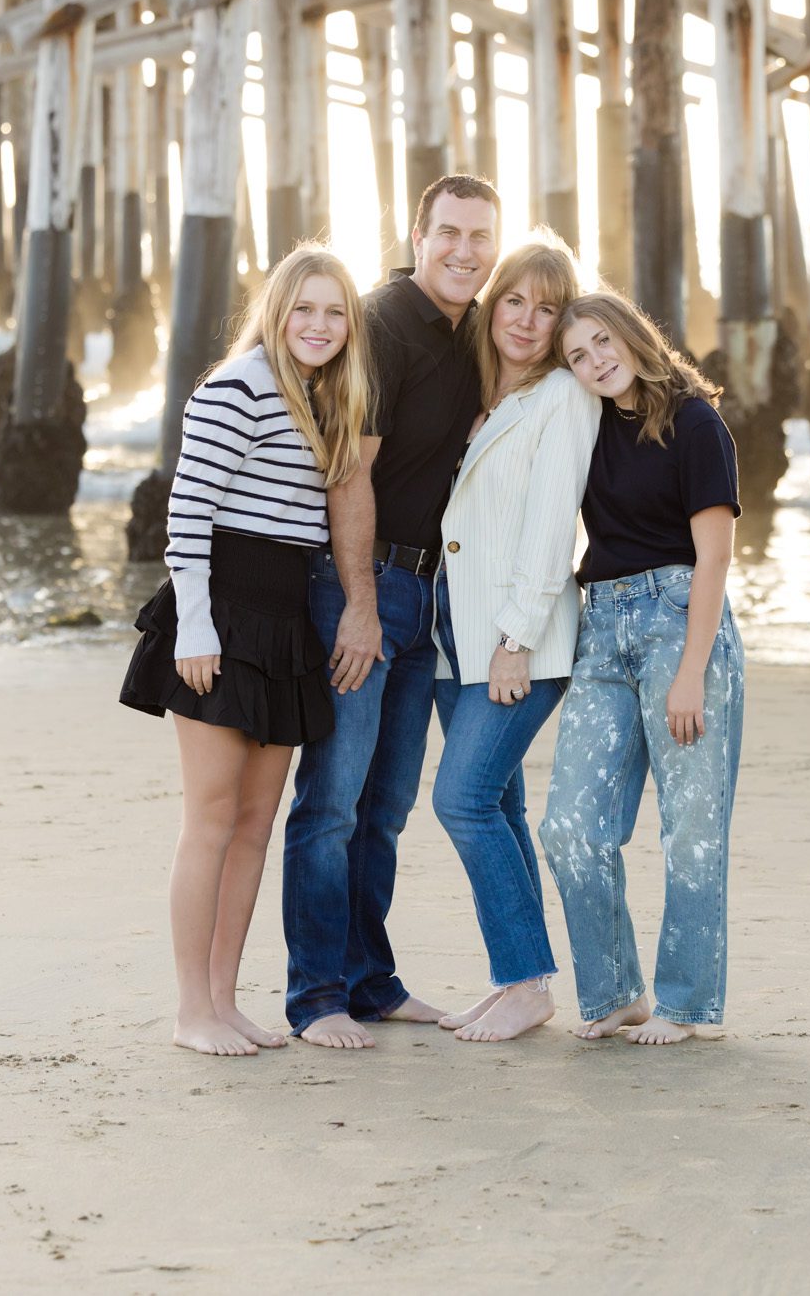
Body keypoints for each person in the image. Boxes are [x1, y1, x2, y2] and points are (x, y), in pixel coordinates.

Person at [119, 244, 370, 1057]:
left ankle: (225, 1000)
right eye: (305, 308)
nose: (320, 325)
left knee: (258, 821)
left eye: (335, 312)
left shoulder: (319, 395)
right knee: (213, 817)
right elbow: (186, 512)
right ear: (276, 310)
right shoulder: (239, 386)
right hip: (221, 612)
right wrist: (196, 626)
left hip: (285, 618)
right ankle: (192, 1007)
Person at [281, 174, 501, 1050]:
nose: (464, 250)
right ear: (419, 233)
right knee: (332, 799)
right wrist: (361, 604)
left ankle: (372, 981)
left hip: (430, 594)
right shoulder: (382, 322)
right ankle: (316, 996)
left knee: (386, 806)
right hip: (364, 585)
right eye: (448, 231)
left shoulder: (467, 331)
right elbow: (350, 470)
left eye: (480, 236)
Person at [539, 290, 746, 1047]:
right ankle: (617, 990)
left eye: (602, 342)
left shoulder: (696, 423)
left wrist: (691, 669)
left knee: (691, 829)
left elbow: (715, 556)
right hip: (602, 630)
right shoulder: (585, 424)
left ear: (631, 333)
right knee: (568, 827)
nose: (596, 360)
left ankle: (689, 1007)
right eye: (577, 356)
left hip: (679, 622)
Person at [428, 236, 595, 1042]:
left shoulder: (562, 396)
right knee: (497, 801)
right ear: (492, 305)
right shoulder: (476, 394)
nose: (528, 321)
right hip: (451, 635)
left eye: (549, 307)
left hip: (515, 638)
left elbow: (551, 525)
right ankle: (520, 977)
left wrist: (516, 639)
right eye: (515, 301)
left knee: (460, 799)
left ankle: (526, 979)